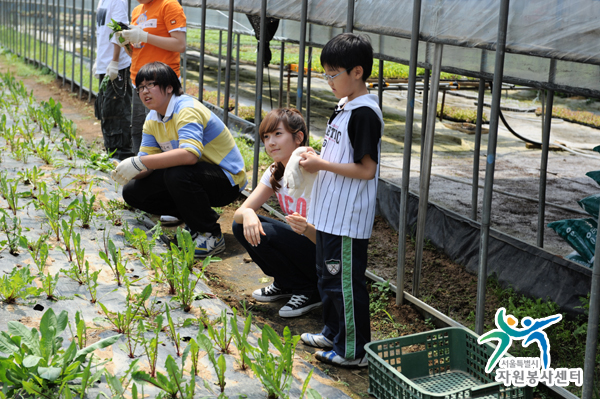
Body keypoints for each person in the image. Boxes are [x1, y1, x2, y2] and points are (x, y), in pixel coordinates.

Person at [298, 33, 384, 368]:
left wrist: (320, 164)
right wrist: (315, 156)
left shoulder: (365, 113)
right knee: (327, 278)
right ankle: (333, 332)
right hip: (330, 212)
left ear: (357, 72)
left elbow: (365, 170)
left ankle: (355, 351)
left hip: (347, 217)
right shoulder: (345, 105)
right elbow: (340, 153)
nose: (328, 81)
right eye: (326, 74)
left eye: (333, 74)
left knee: (345, 285)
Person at [111, 62, 247, 257]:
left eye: (150, 85)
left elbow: (189, 155)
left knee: (177, 173)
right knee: (133, 191)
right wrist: (128, 169)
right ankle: (194, 221)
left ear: (169, 88)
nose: (144, 91)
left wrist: (141, 162)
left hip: (226, 180)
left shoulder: (186, 109)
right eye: (140, 87)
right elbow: (146, 163)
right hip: (197, 177)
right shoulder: (152, 118)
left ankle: (210, 235)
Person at [232, 108, 321, 318]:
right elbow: (239, 213)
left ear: (298, 137)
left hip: (324, 250)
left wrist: (307, 229)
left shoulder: (317, 173)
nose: (271, 142)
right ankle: (286, 284)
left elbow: (331, 239)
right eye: (266, 136)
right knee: (241, 225)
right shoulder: (275, 171)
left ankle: (309, 289)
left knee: (268, 234)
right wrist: (248, 214)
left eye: (278, 134)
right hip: (302, 242)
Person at [114, 0, 187, 155]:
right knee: (139, 128)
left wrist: (145, 36)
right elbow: (136, 53)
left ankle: (162, 172)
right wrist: (126, 43)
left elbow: (180, 44)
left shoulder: (169, 5)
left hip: (160, 83)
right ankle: (140, 168)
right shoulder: (137, 11)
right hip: (138, 82)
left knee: (161, 133)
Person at [94, 0, 133, 160]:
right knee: (106, 108)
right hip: (105, 63)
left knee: (117, 108)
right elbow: (103, 32)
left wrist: (115, 61)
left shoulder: (117, 0)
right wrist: (99, 61)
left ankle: (121, 154)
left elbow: (120, 29)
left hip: (117, 64)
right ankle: (111, 150)